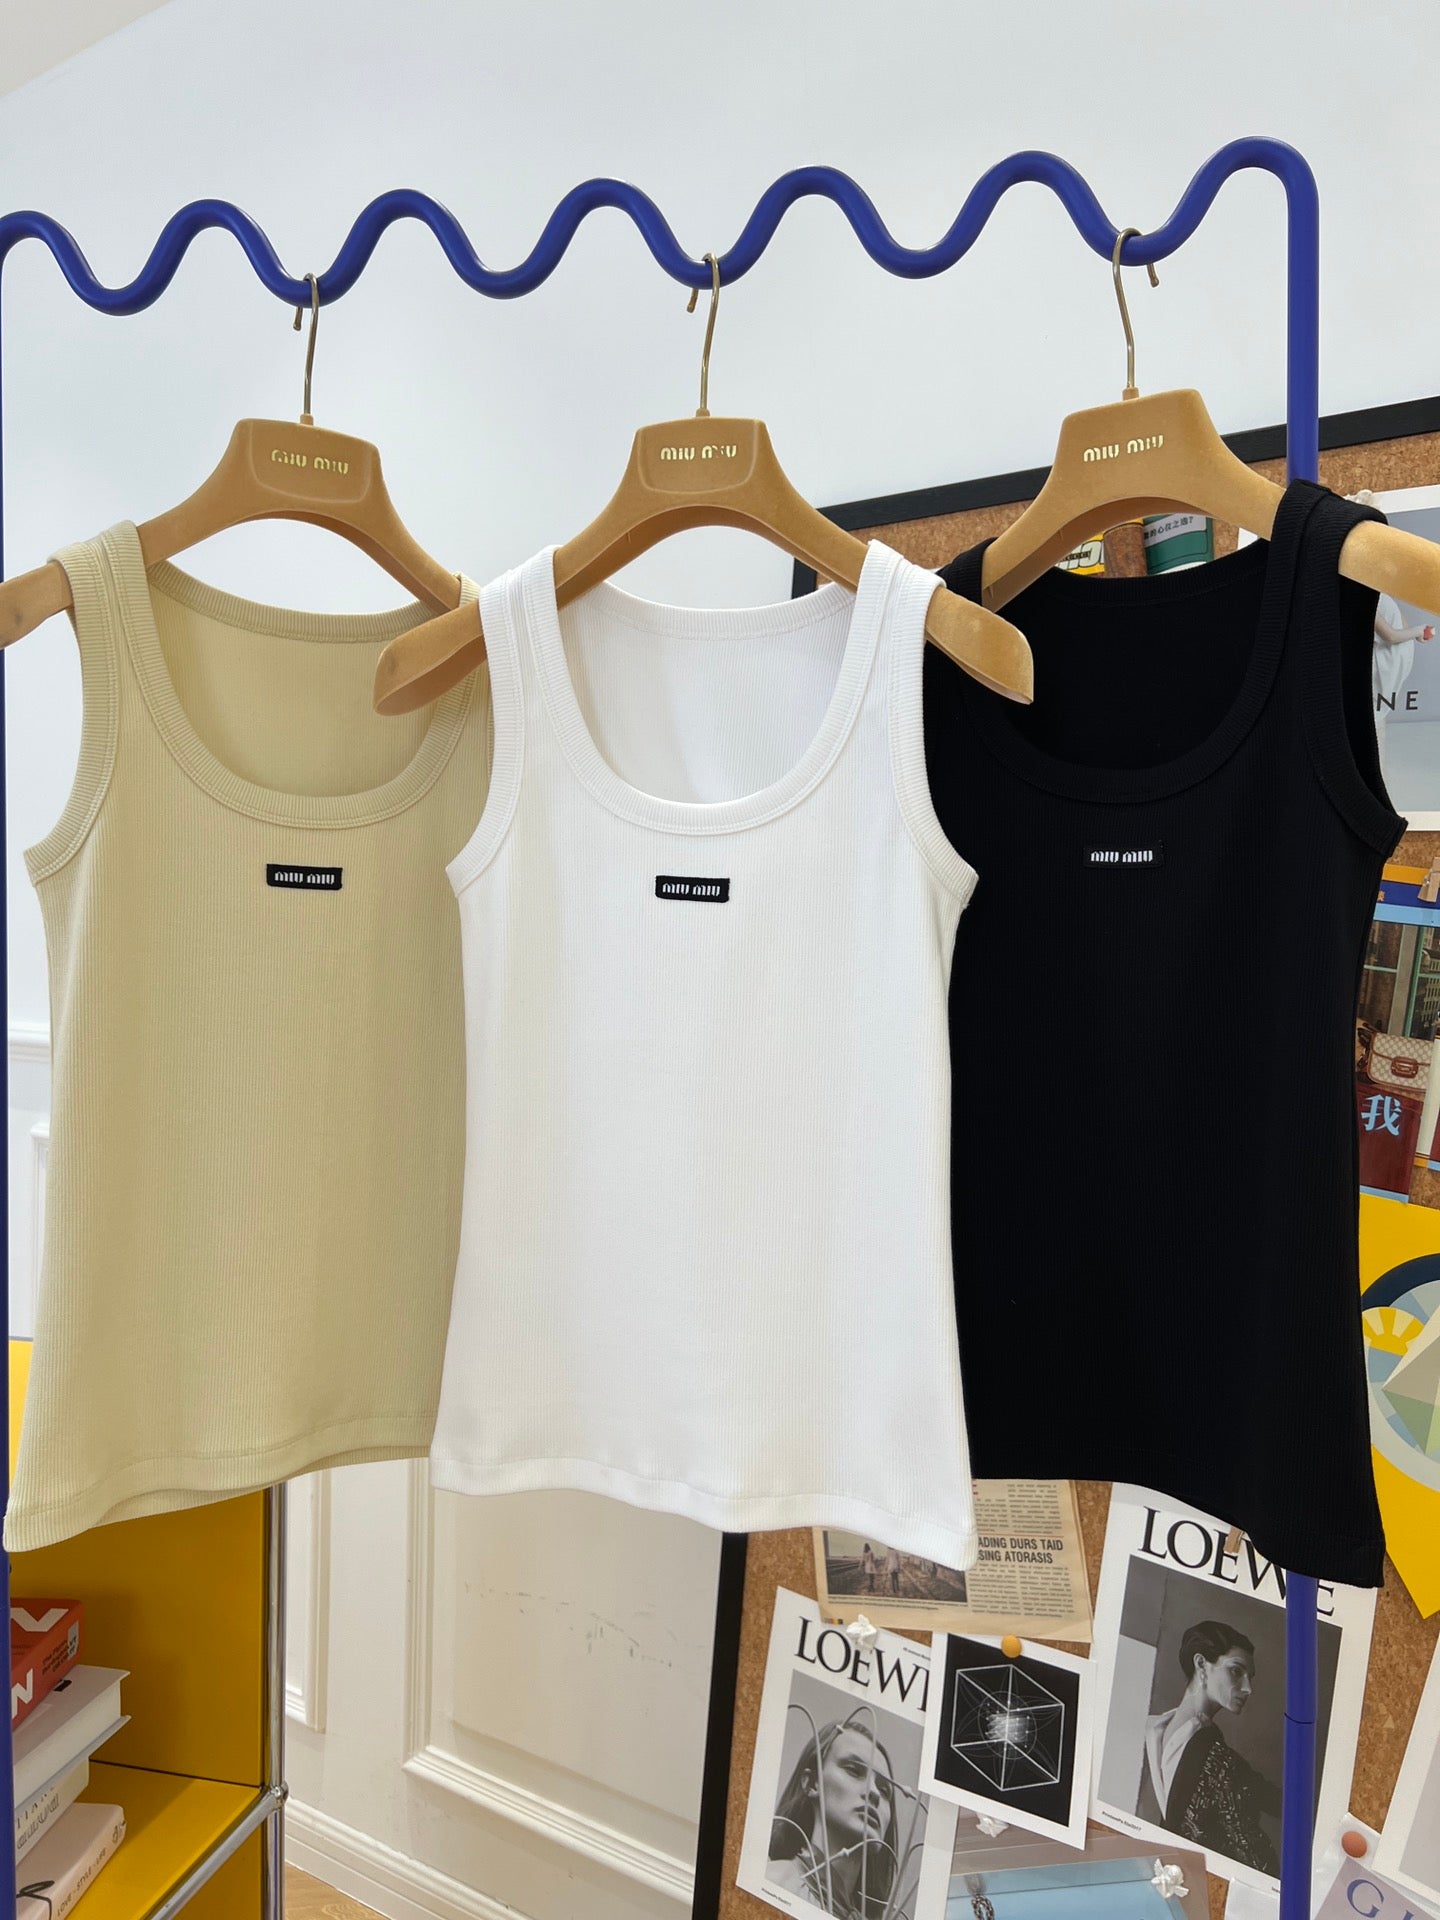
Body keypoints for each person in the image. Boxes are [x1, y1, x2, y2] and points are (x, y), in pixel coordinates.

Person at [1144, 1620, 1280, 1875]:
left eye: (1250, 1677)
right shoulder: (1217, 1760)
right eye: (1236, 1671)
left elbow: (1260, 1790)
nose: (1248, 1688)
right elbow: (1259, 1864)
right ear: (1201, 1664)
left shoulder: (1162, 1731)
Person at [768, 1710, 913, 1918]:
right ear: (812, 1783)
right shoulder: (771, 1883)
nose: (874, 1792)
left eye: (884, 1790)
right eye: (854, 1770)